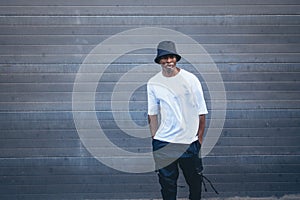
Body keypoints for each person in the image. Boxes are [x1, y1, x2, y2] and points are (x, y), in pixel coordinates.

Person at [147, 41, 208, 200]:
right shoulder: (153, 83)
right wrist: (155, 138)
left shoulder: (190, 79)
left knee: (195, 182)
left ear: (176, 58)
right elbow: (152, 113)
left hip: (188, 143)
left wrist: (198, 139)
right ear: (159, 60)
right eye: (164, 58)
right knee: (167, 187)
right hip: (164, 143)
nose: (168, 61)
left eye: (171, 57)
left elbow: (201, 111)